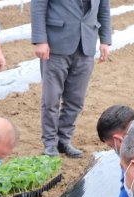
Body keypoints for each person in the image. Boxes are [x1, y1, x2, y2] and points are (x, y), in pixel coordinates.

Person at [31, 0, 111, 158]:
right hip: (56, 44)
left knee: (76, 99)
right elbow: (38, 6)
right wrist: (40, 40)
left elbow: (104, 10)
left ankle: (64, 140)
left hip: (86, 44)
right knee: (51, 98)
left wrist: (105, 41)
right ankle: (50, 143)